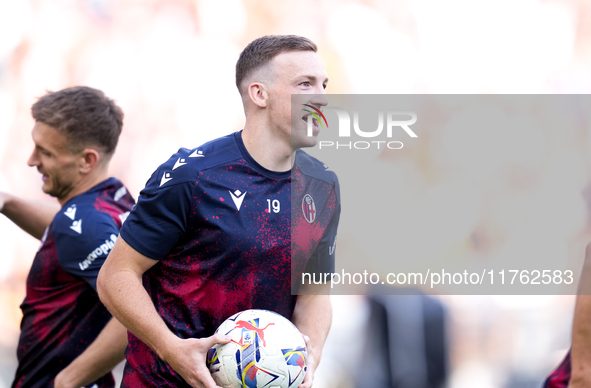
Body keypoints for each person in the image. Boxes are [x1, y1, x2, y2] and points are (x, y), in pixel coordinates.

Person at [97, 34, 341, 388]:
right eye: (305, 84)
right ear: (260, 94)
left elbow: (314, 295)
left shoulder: (321, 185)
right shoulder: (192, 176)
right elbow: (116, 276)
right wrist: (171, 349)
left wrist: (309, 358)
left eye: (324, 84)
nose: (321, 97)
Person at [1, 86, 134, 388]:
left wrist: (69, 379)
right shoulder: (113, 198)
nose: (31, 160)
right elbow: (70, 230)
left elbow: (138, 310)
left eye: (45, 152)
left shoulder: (85, 226)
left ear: (87, 160)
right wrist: (7, 202)